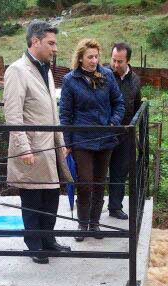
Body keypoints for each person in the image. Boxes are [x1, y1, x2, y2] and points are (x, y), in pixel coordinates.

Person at [4, 21, 73, 264]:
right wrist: (24, 148)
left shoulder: (45, 69)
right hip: (32, 147)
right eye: (51, 43)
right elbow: (13, 115)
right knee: (33, 198)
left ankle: (48, 240)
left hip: (49, 146)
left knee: (51, 196)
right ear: (35, 41)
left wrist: (61, 142)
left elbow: (51, 111)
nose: (55, 48)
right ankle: (34, 245)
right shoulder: (17, 70)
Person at [59, 39, 125, 241]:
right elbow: (65, 113)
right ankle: (82, 224)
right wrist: (68, 143)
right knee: (85, 182)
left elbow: (118, 103)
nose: (94, 60)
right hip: (82, 140)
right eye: (90, 57)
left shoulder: (106, 76)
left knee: (99, 182)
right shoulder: (70, 80)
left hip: (105, 139)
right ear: (80, 58)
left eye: (96, 56)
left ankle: (95, 224)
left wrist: (113, 123)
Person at [108, 42, 142, 220]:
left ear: (128, 61)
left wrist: (133, 129)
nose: (115, 65)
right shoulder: (104, 75)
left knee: (120, 171)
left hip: (125, 133)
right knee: (97, 171)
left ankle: (115, 207)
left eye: (119, 61)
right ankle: (90, 208)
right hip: (106, 130)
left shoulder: (135, 80)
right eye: (113, 60)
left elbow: (137, 105)